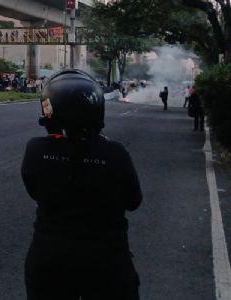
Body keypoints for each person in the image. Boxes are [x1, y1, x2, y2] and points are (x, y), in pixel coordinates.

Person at [21, 69, 142, 299]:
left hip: (49, 257)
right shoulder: (115, 153)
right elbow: (133, 201)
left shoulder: (36, 150)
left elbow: (35, 191)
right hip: (107, 258)